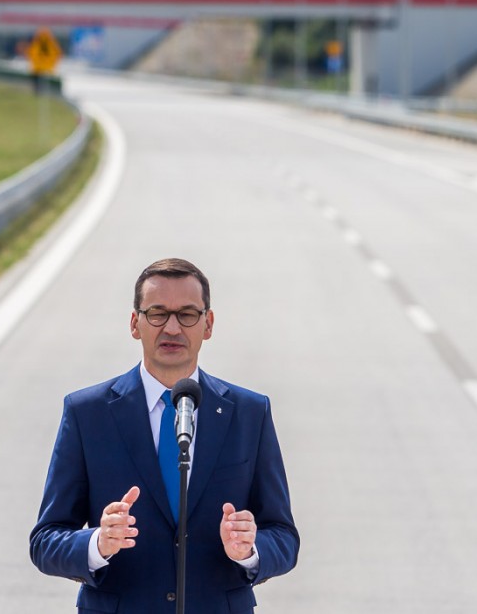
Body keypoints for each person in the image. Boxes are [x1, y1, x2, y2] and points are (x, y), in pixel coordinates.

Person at [30, 258, 299, 613]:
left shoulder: (249, 413)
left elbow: (283, 536)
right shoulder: (87, 413)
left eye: (187, 314)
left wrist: (250, 550)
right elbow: (46, 540)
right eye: (157, 314)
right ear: (135, 323)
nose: (172, 328)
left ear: (208, 324)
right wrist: (97, 543)